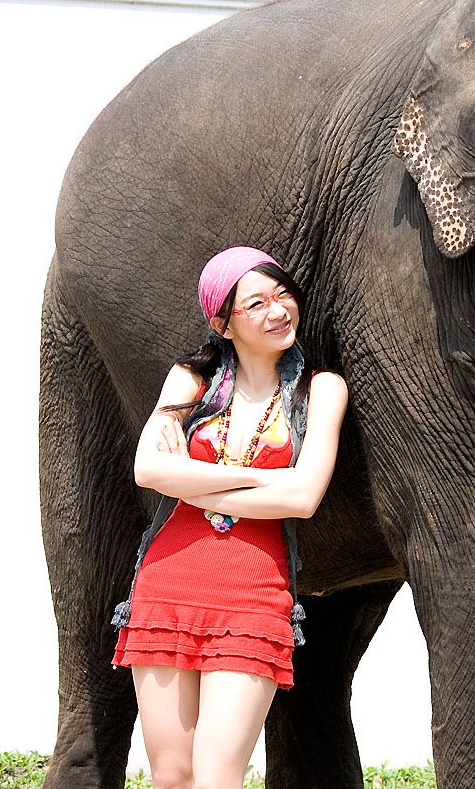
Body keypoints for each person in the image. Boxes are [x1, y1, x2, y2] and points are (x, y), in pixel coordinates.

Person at [110, 246, 348, 789]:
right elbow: (148, 469)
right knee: (172, 777)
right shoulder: (188, 382)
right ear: (224, 323)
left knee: (217, 777)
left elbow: (304, 498)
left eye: (283, 294)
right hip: (167, 587)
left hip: (254, 595)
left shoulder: (321, 389)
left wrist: (195, 485)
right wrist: (266, 480)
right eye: (257, 303)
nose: (278, 310)